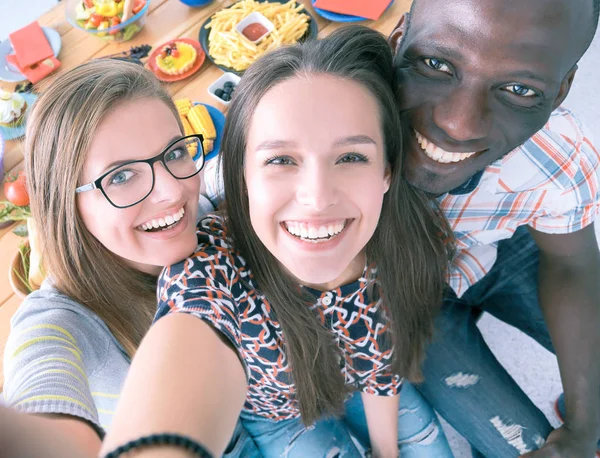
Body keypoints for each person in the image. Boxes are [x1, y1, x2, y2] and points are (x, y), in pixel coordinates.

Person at [101, 27, 455, 458]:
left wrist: (387, 452)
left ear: (386, 170)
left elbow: (379, 365)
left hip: (363, 387)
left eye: (351, 157)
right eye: (281, 160)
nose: (318, 197)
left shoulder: (400, 238)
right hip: (278, 417)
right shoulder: (214, 266)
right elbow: (189, 328)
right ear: (243, 173)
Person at [1, 59, 256, 457]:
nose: (172, 192)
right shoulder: (61, 322)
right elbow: (42, 405)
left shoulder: (204, 206)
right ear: (65, 204)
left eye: (173, 153)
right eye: (120, 176)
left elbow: (256, 161)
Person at [388, 0, 600, 456]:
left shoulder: (555, 156)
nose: (458, 126)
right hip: (399, 300)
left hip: (496, 251)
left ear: (561, 92)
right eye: (436, 64)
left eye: (520, 89)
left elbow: (571, 265)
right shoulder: (326, 133)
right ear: (397, 40)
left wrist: (584, 425)